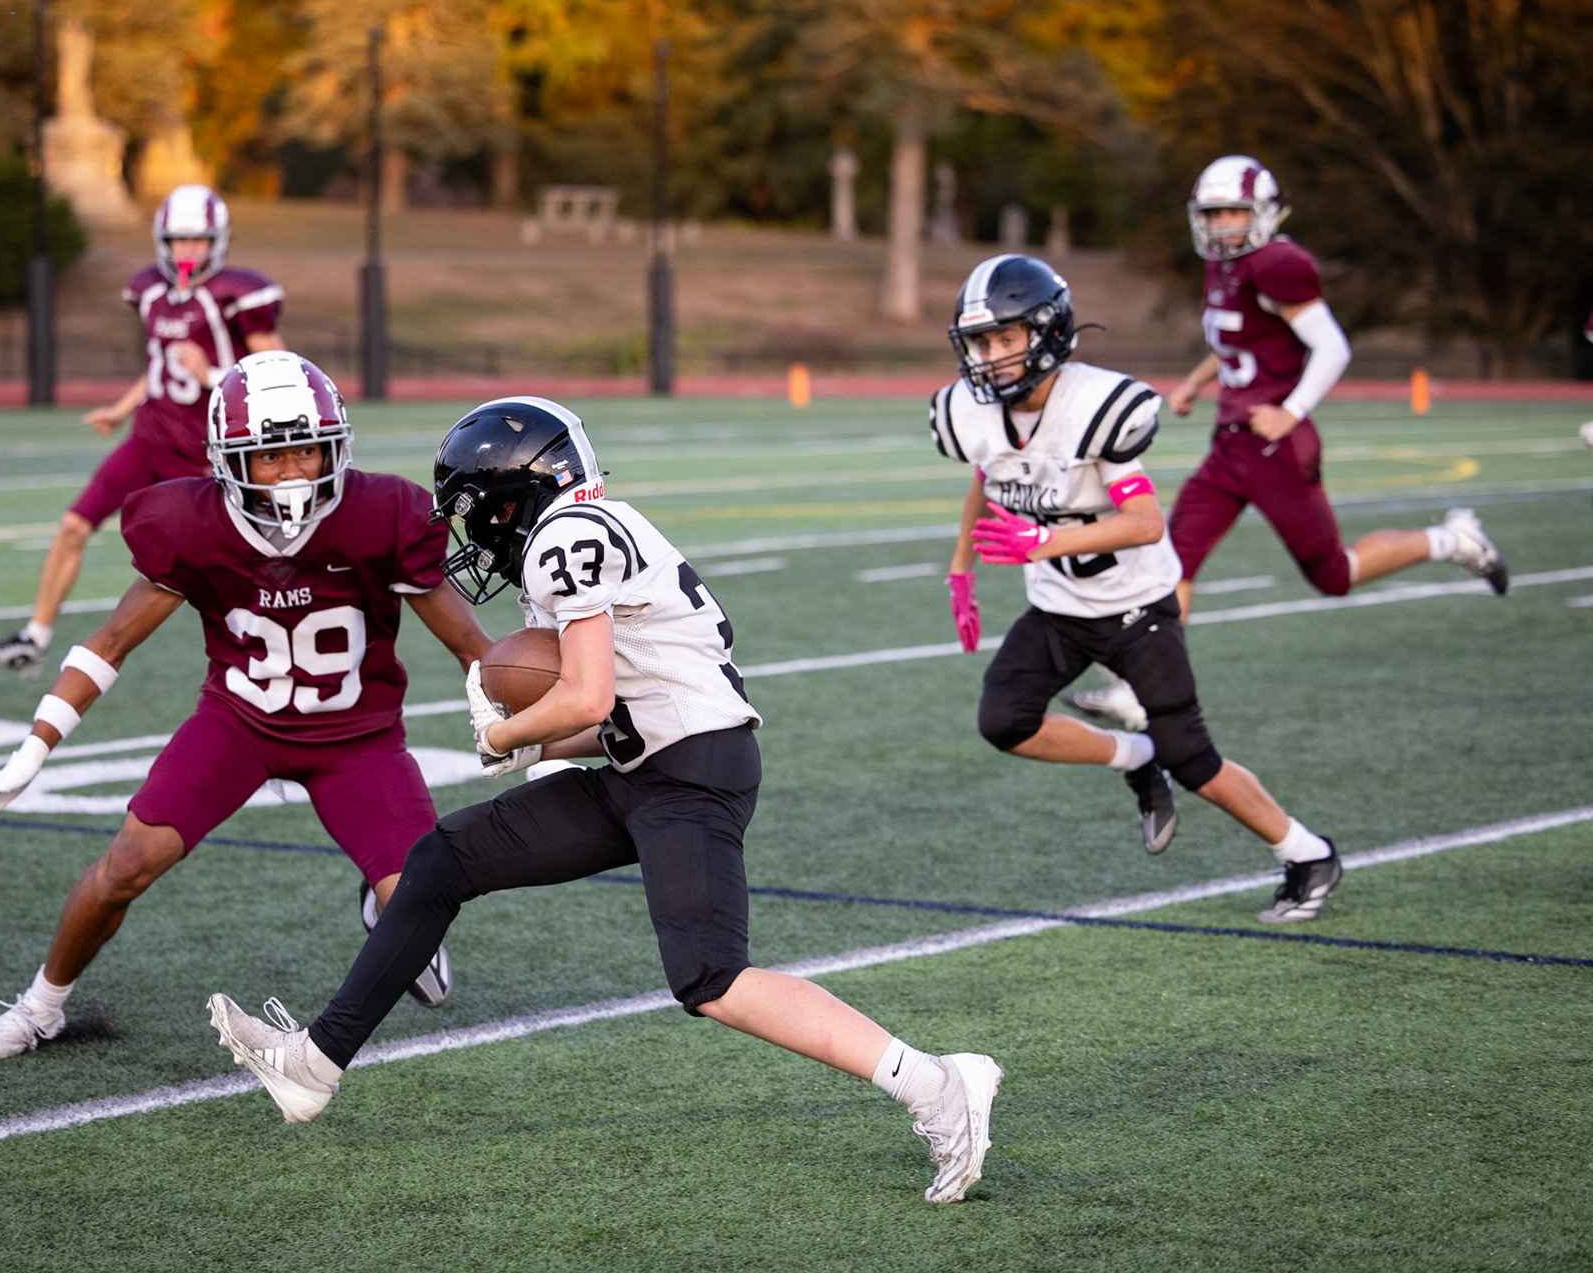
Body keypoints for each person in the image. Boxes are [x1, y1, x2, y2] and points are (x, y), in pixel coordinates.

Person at [204, 396, 1004, 1205]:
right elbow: (614, 713)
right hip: (645, 768)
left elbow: (586, 696)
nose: (475, 531)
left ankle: (938, 1085)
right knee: (443, 858)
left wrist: (503, 731)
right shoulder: (583, 532)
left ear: (516, 493)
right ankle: (315, 1062)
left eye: (479, 510)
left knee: (712, 978)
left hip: (690, 773)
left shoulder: (567, 536)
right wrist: (537, 743)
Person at [0, 351, 491, 1059]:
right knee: (125, 865)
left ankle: (381, 897)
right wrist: (34, 748)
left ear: (336, 445)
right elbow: (111, 642)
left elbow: (472, 646)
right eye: (271, 455)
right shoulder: (191, 521)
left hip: (358, 741)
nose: (294, 471)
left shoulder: (382, 512)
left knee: (423, 908)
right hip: (240, 726)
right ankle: (40, 1007)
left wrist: (526, 730)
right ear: (229, 461)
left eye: (307, 449)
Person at [932, 254, 1343, 923]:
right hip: (1059, 607)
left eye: (1007, 337)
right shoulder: (971, 413)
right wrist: (961, 567)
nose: (994, 356)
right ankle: (1136, 756)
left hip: (1135, 608)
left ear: (1048, 331)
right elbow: (989, 469)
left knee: (1194, 757)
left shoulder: (1095, 405)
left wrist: (1042, 542)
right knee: (1004, 721)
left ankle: (1307, 852)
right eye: (982, 341)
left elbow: (1147, 522)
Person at [1063, 155, 1507, 732]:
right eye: (1212, 214)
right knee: (1172, 559)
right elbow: (1239, 340)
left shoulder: (1277, 266)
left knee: (1333, 575)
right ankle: (1142, 691)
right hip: (1231, 444)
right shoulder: (1224, 267)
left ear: (1264, 213)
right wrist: (1197, 382)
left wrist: (1291, 412)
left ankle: (1449, 539)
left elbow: (1333, 348)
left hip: (1275, 448)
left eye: (1232, 213)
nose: (1221, 225)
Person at [0, 184, 287, 674]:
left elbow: (278, 373)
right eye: (178, 240)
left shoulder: (235, 295)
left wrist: (209, 373)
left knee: (235, 560)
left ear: (218, 241)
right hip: (148, 440)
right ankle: (35, 638)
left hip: (206, 452)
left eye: (197, 240)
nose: (187, 250)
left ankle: (278, 652)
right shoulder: (151, 292)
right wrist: (121, 408)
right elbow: (160, 365)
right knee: (74, 525)